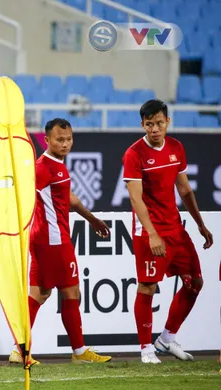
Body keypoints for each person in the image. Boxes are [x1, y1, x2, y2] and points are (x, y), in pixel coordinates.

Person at [11, 119, 112, 365]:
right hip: (53, 240)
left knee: (39, 293)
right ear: (47, 140)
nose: (65, 144)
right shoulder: (42, 167)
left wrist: (91, 219)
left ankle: (18, 350)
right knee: (69, 292)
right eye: (59, 140)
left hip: (47, 239)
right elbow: (21, 195)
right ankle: (78, 352)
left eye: (68, 140)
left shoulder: (57, 166)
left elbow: (68, 197)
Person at [123, 100, 213, 364]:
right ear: (142, 125)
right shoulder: (134, 154)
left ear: (167, 122)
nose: (154, 129)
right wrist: (152, 233)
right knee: (148, 287)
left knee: (195, 282)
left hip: (176, 228)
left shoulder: (176, 147)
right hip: (148, 231)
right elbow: (136, 199)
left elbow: (184, 190)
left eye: (159, 123)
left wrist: (199, 223)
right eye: (149, 124)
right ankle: (145, 348)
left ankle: (166, 339)